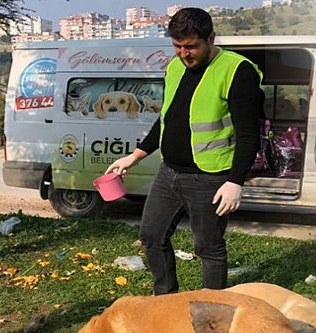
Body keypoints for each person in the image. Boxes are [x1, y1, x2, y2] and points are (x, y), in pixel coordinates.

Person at [106, 7, 263, 294]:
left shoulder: (238, 71)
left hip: (210, 177)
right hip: (170, 173)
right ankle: (165, 299)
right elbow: (167, 119)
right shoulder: (175, 67)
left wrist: (235, 181)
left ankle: (212, 312)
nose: (184, 54)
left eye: (191, 47)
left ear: (211, 38)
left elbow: (249, 134)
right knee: (151, 237)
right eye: (177, 46)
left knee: (208, 247)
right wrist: (134, 156)